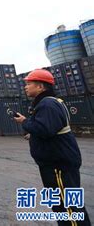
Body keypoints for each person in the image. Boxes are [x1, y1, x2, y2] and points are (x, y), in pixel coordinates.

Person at [14, 69, 91, 225]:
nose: (26, 87)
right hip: (58, 162)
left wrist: (24, 122)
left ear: (41, 86)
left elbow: (44, 129)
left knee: (67, 206)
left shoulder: (47, 104)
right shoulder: (51, 102)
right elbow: (52, 129)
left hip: (58, 165)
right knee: (64, 204)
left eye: (29, 83)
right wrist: (33, 134)